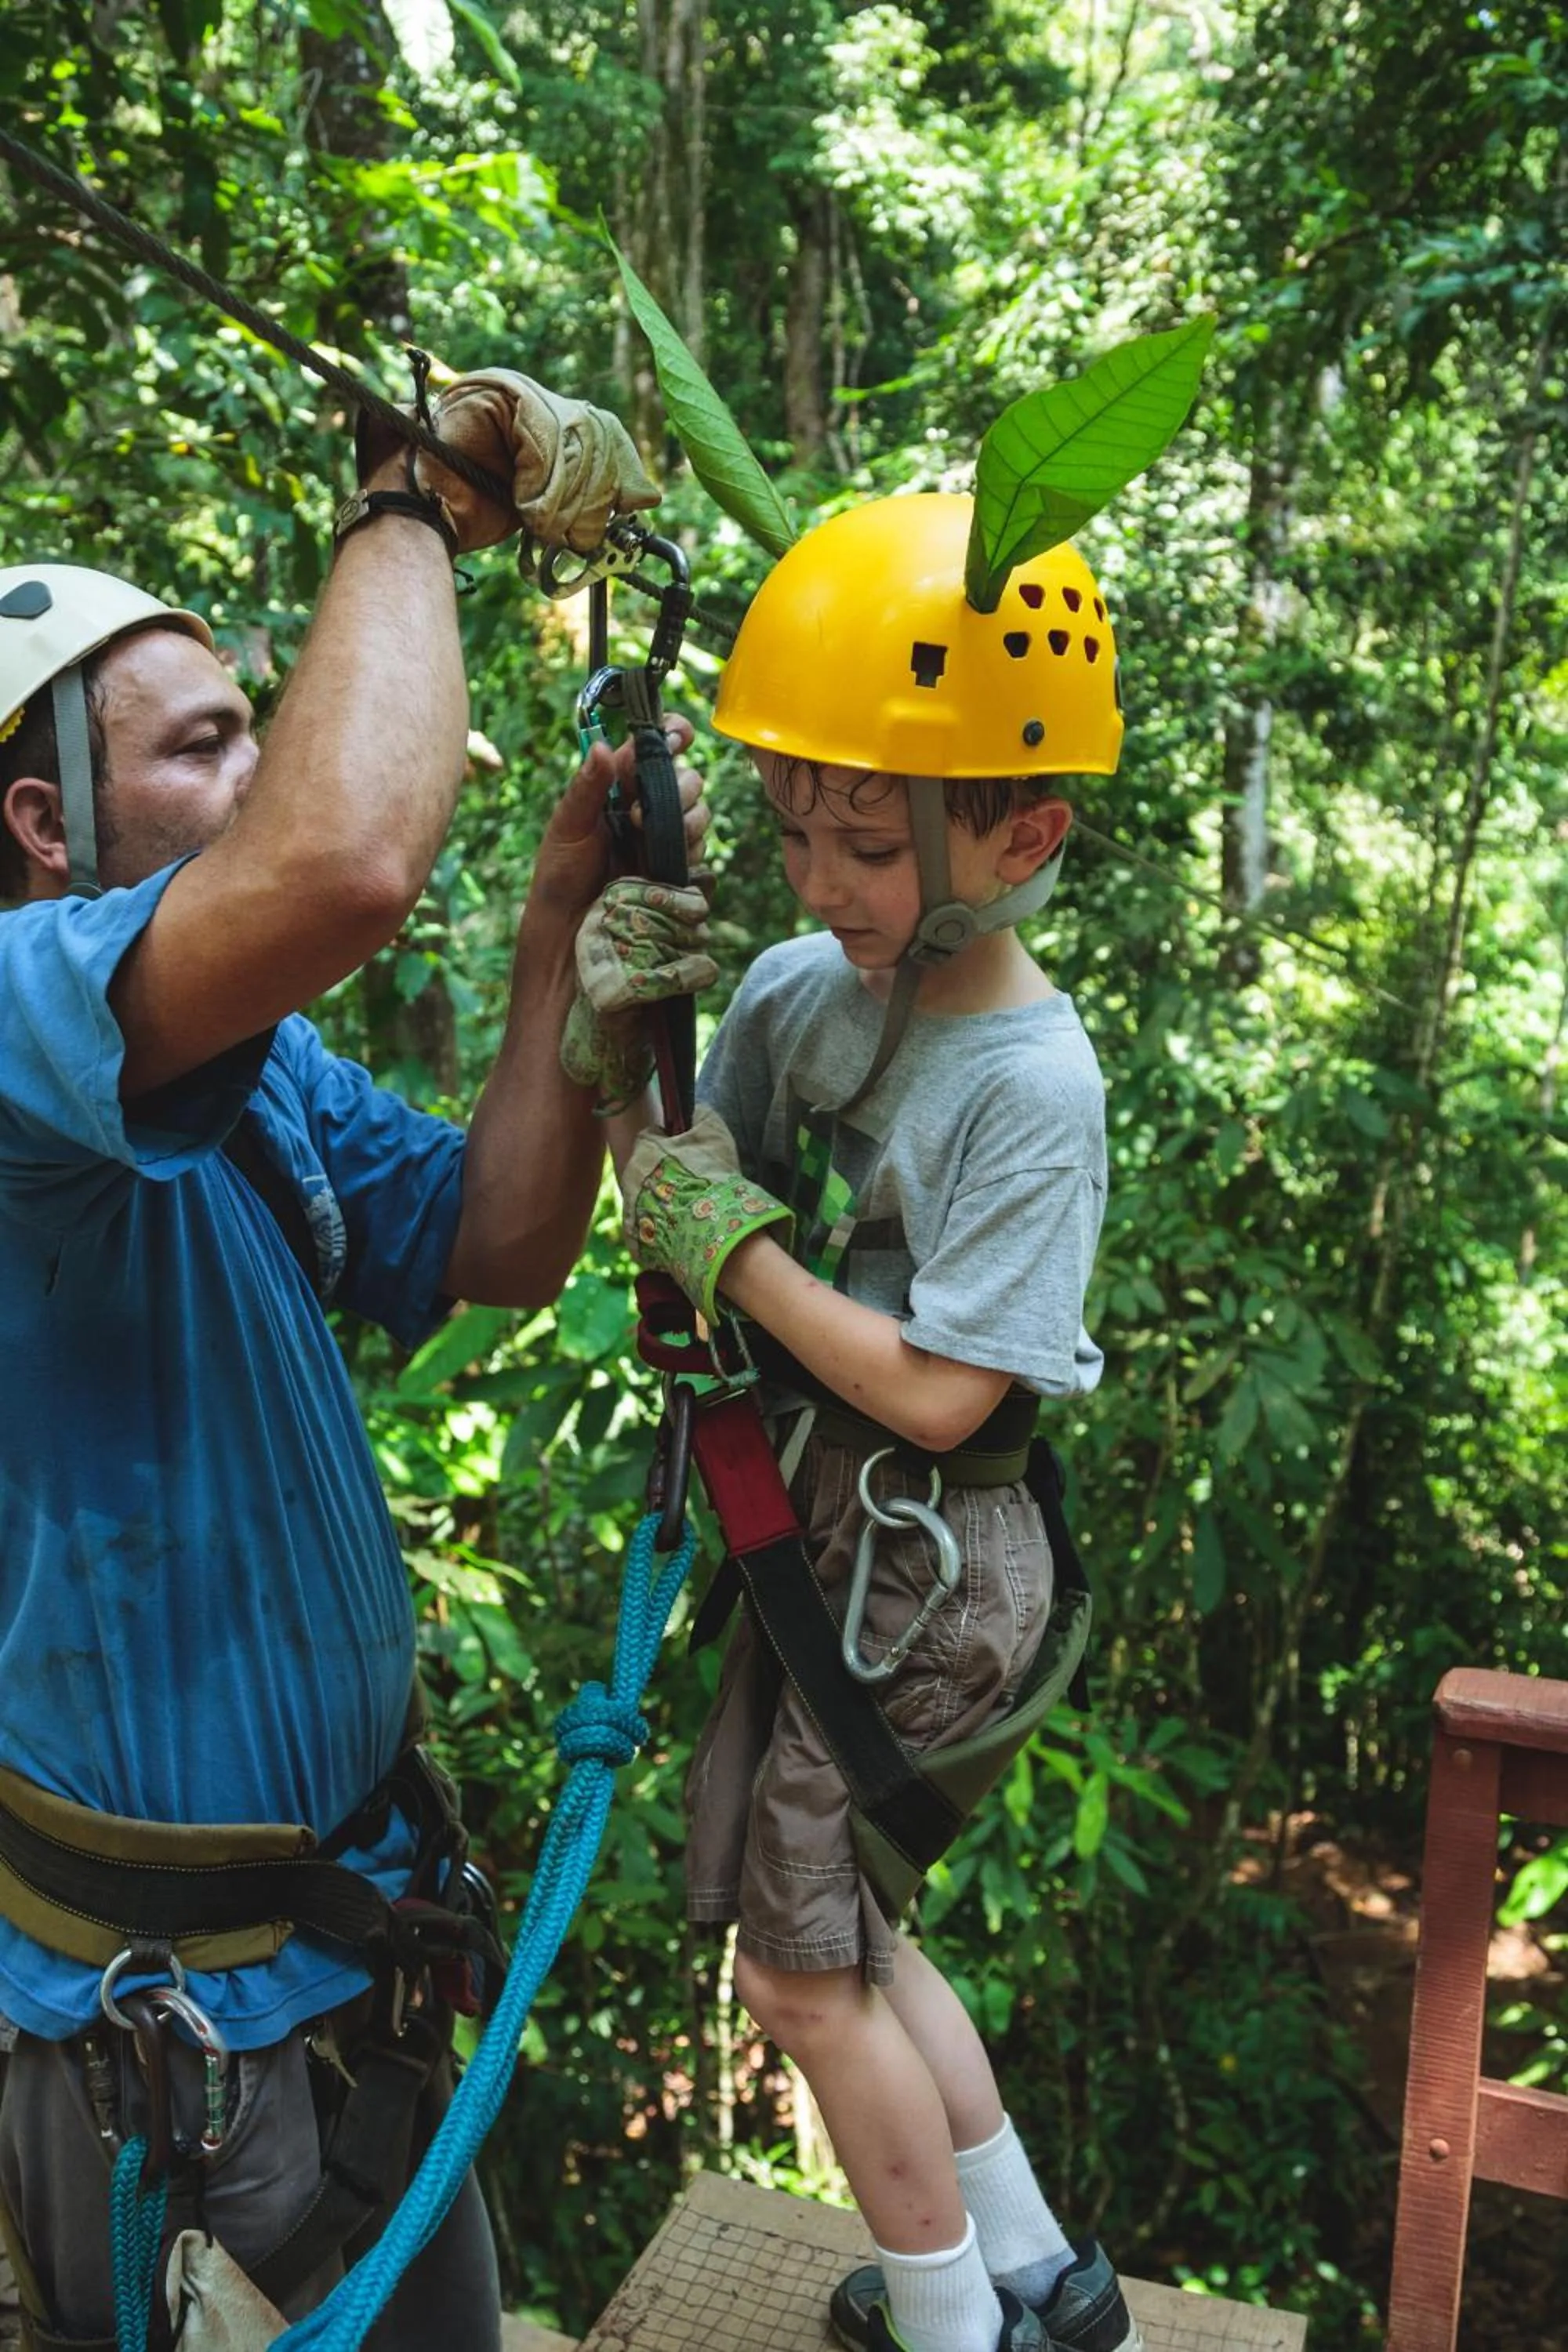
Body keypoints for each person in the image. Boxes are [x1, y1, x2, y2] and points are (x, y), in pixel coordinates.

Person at [0, 369, 709, 2347]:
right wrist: (405, 497)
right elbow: (343, 865)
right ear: (42, 821)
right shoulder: (2, 1029)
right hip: (162, 2027)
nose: (262, 772)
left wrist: (562, 916)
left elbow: (494, 1238)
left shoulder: (254, 1068)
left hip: (351, 1958)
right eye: (212, 743)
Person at [615, 492, 1143, 2352]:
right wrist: (635, 1037)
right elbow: (686, 1194)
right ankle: (1031, 2280)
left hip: (933, 1557)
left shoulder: (1033, 1083)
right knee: (856, 1935)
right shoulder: (796, 991)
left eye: (863, 842)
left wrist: (733, 1252)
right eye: (789, 834)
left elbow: (940, 1385)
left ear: (1023, 831)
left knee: (799, 1972)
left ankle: (945, 2328)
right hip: (822, 1530)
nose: (818, 881)